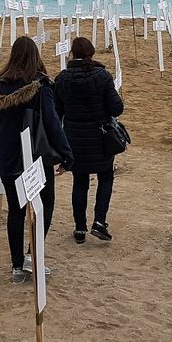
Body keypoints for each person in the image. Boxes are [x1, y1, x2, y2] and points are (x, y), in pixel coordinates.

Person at [0, 36, 74, 283]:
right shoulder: (41, 86)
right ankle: (31, 256)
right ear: (35, 56)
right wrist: (66, 154)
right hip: (35, 158)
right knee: (43, 206)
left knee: (15, 211)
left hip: (7, 157)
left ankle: (17, 266)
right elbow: (52, 122)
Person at [54, 37, 124, 244]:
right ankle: (99, 222)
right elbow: (116, 108)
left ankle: (79, 228)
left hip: (74, 139)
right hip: (101, 138)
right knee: (106, 177)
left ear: (72, 54)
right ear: (91, 53)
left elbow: (57, 114)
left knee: (80, 182)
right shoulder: (102, 76)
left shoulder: (62, 78)